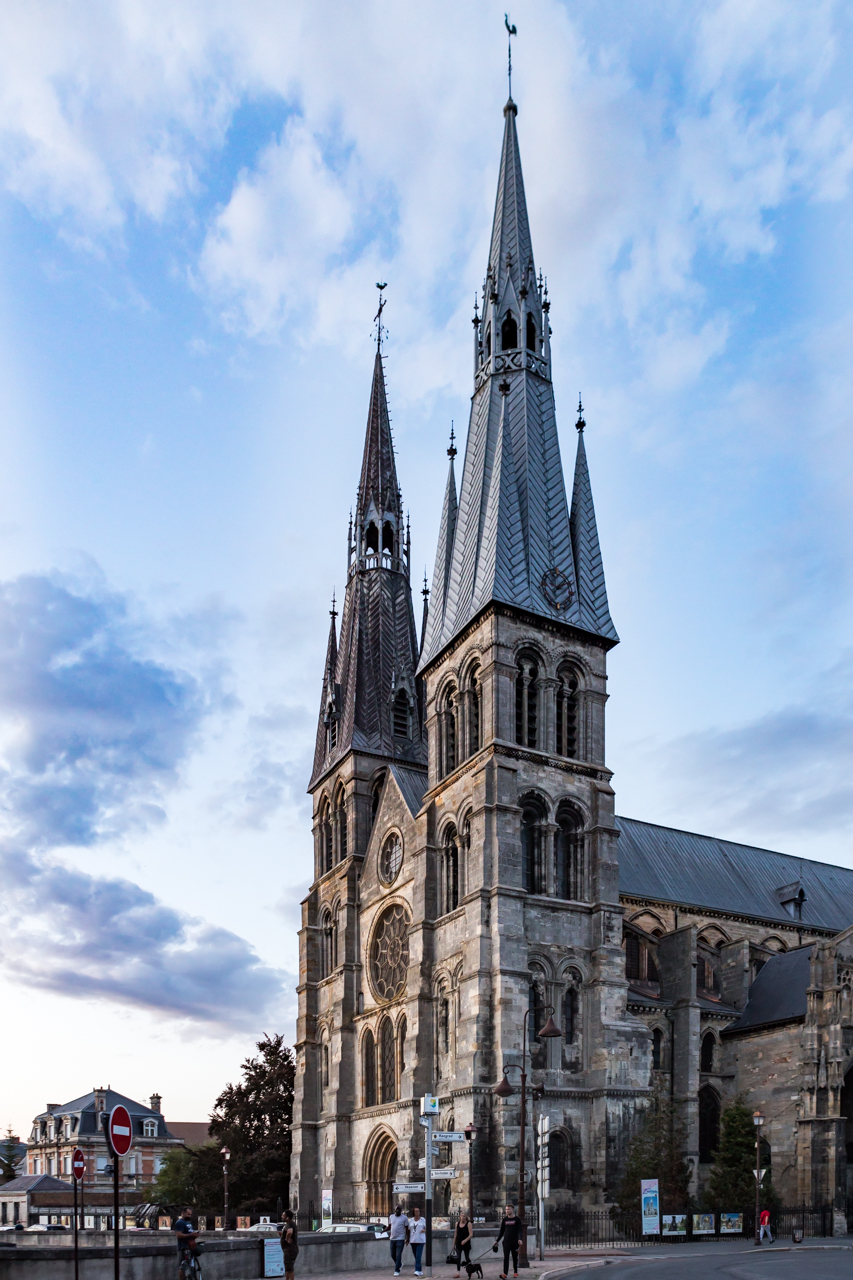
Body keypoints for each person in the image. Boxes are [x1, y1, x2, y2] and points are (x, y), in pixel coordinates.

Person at [494, 1204, 521, 1280]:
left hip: (515, 1242)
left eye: (508, 1209)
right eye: (506, 1209)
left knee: (515, 1257)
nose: (507, 1211)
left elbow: (520, 1230)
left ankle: (515, 1271)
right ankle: (505, 1273)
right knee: (506, 1257)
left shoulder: (517, 1219)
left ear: (512, 1210)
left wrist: (520, 1239)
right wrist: (497, 1241)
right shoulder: (505, 1220)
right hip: (506, 1242)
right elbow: (501, 1231)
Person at [173, 1207, 198, 1276]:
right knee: (182, 1266)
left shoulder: (188, 1222)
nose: (189, 1216)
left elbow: (190, 1233)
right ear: (183, 1213)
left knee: (192, 1265)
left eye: (190, 1214)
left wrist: (194, 1235)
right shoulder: (179, 1223)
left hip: (190, 1246)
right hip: (182, 1247)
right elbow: (179, 1235)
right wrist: (190, 1235)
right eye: (188, 1214)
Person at [388, 1204, 409, 1276]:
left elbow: (407, 1229)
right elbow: (389, 1226)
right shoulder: (391, 1217)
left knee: (398, 1255)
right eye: (396, 1210)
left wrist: (407, 1238)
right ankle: (399, 1264)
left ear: (401, 1211)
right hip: (392, 1238)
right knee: (392, 1254)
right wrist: (383, 1231)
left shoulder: (404, 1218)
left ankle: (397, 1270)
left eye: (398, 1210)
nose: (397, 1211)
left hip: (400, 1238)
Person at [280, 1208, 299, 1279]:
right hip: (289, 1250)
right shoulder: (290, 1224)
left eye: (283, 1215)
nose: (282, 1216)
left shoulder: (290, 1224)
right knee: (288, 1268)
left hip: (290, 1250)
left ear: (287, 1217)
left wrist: (286, 1239)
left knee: (290, 1268)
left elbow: (290, 1232)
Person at [452, 1212, 473, 1277]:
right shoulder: (457, 1224)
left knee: (467, 1257)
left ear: (466, 1217)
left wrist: (465, 1240)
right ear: (460, 1217)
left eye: (464, 1216)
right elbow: (455, 1234)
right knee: (458, 1258)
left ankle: (470, 1270)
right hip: (458, 1243)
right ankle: (458, 1273)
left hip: (466, 1243)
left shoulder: (468, 1224)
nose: (463, 1217)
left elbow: (471, 1234)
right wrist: (453, 1244)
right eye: (462, 1216)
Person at [409, 1205, 426, 1277]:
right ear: (413, 1212)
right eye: (416, 1211)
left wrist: (424, 1230)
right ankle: (420, 1270)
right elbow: (409, 1229)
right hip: (413, 1240)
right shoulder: (411, 1220)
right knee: (416, 1256)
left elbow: (427, 1228)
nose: (417, 1212)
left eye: (418, 1211)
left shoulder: (423, 1219)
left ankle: (417, 1270)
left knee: (418, 1256)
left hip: (420, 1240)